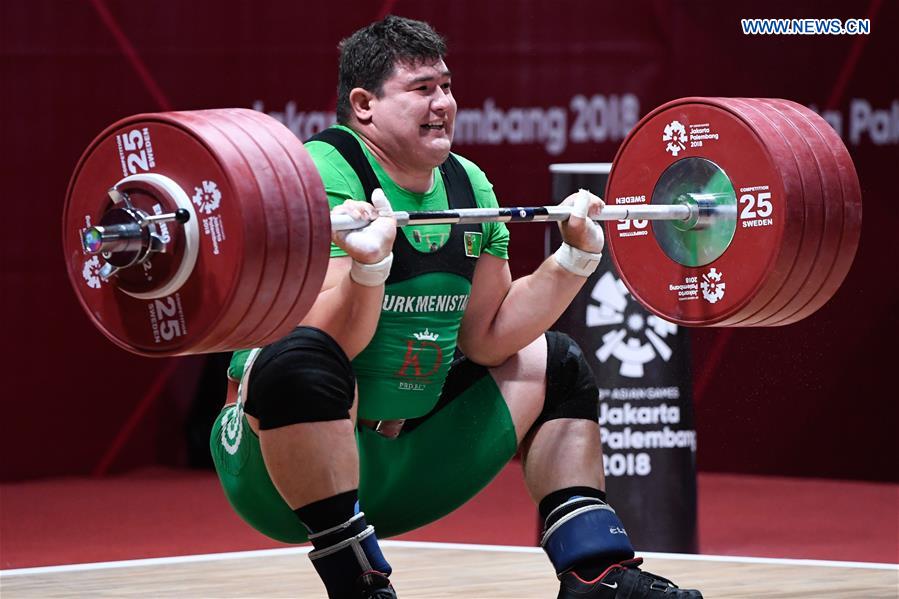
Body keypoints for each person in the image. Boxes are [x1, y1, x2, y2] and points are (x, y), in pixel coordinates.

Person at [211, 15, 703, 599]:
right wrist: (369, 271)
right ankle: (359, 584)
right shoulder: (318, 175)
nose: (443, 103)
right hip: (279, 470)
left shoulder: (467, 183)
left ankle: (596, 575)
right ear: (364, 104)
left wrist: (573, 260)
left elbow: (489, 336)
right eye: (422, 89)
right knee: (301, 361)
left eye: (446, 86)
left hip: (399, 465)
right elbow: (322, 344)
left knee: (557, 363)